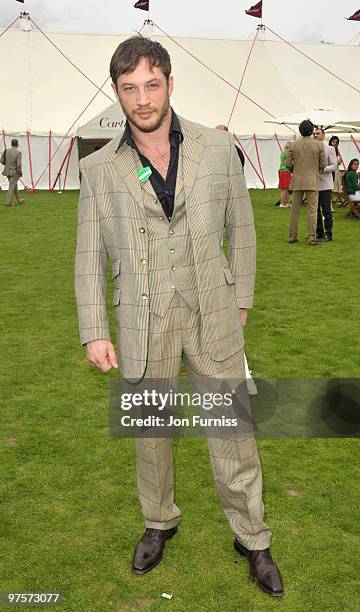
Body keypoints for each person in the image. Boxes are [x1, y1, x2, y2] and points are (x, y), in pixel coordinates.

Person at [75, 36, 283, 597]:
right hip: (142, 322)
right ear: (116, 93)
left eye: (151, 84)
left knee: (232, 430)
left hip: (213, 315)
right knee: (151, 433)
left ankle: (253, 537)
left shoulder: (217, 148)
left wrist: (241, 298)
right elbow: (89, 253)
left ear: (169, 82)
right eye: (129, 88)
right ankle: (158, 521)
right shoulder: (98, 171)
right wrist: (95, 329)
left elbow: (242, 226)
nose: (142, 99)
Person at [286, 119, 327, 245]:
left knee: (294, 210)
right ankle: (311, 237)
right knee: (312, 210)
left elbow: (287, 164)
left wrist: (296, 170)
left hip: (297, 180)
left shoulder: (293, 144)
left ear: (300, 130)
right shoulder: (319, 145)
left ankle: (292, 236)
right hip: (312, 181)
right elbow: (323, 164)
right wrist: (316, 170)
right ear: (312, 131)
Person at [313, 128, 337, 241]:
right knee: (315, 210)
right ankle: (319, 233)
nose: (315, 135)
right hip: (313, 183)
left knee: (326, 210)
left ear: (323, 135)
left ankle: (329, 233)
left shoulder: (330, 149)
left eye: (318, 133)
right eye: (314, 133)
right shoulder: (311, 148)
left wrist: (322, 169)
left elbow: (334, 166)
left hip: (325, 184)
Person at [0, 139, 25, 206]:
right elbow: (18, 164)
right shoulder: (18, 152)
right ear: (17, 144)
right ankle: (9, 202)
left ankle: (19, 200)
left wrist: (7, 165)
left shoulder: (6, 151)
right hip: (14, 172)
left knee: (14, 185)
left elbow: (2, 161)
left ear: (11, 144)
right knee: (12, 186)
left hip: (7, 171)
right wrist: (19, 173)